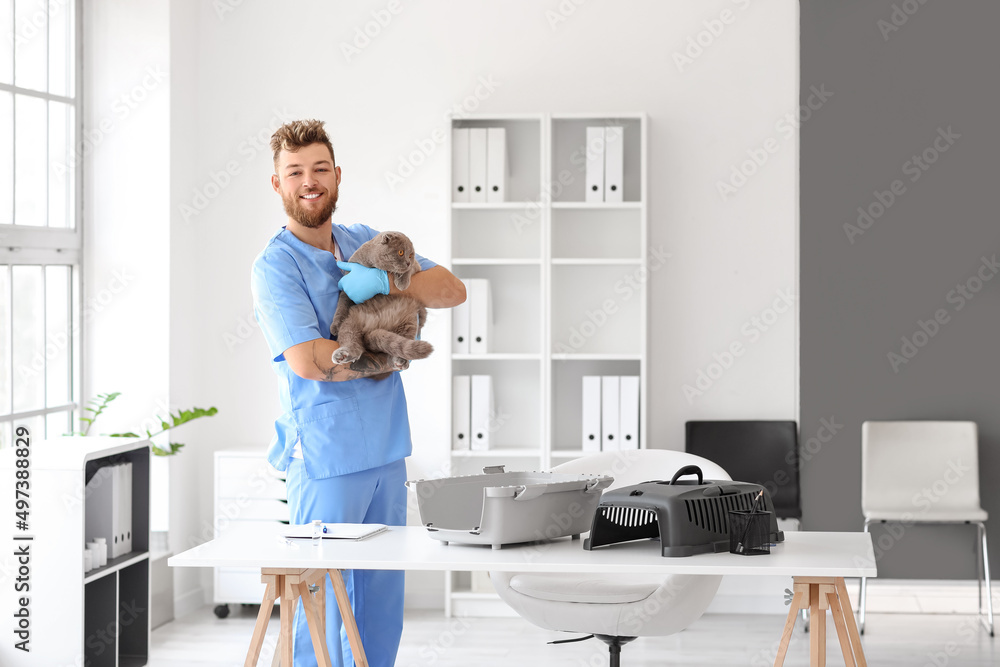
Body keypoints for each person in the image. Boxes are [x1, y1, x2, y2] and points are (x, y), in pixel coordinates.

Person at [250, 119, 465, 667]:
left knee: (379, 603)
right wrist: (385, 356)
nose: (309, 181)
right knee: (317, 605)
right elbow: (310, 362)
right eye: (294, 171)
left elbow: (450, 290)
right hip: (327, 457)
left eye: (320, 168)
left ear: (337, 176)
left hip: (386, 451)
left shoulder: (366, 244)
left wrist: (390, 283)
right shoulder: (276, 267)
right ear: (277, 184)